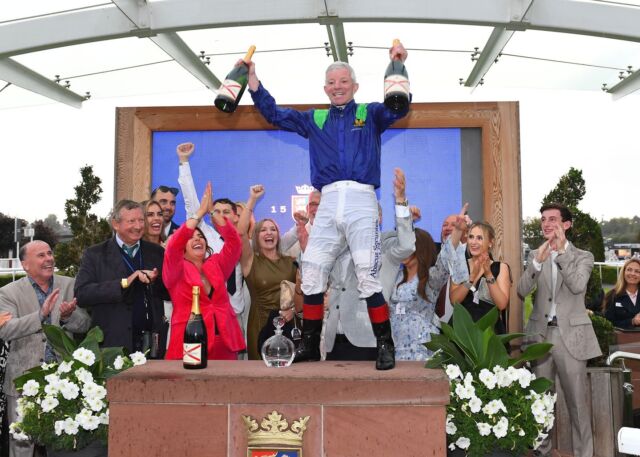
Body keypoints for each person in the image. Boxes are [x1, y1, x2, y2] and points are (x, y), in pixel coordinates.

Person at [247, 42, 410, 370]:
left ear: (355, 86)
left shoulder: (370, 113)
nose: (337, 87)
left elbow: (399, 108)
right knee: (311, 273)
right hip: (327, 197)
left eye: (343, 82)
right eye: (332, 83)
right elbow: (275, 114)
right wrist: (253, 83)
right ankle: (308, 344)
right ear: (325, 88)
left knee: (368, 275)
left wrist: (398, 66)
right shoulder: (315, 117)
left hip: (362, 198)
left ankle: (384, 344)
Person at [517, 203, 600, 457]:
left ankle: (584, 454)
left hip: (571, 339)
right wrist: (536, 264)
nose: (546, 224)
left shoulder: (583, 256)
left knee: (577, 406)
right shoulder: (535, 254)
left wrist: (561, 253)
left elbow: (577, 286)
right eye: (543, 219)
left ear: (566, 225)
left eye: (553, 219)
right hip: (540, 336)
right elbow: (521, 291)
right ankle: (542, 453)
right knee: (541, 403)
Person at [0, 240, 90, 457]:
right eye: (41, 255)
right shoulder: (8, 292)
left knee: (63, 443)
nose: (49, 259)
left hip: (63, 382)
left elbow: (85, 324)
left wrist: (69, 316)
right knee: (22, 444)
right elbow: (6, 330)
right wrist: (40, 316)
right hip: (23, 380)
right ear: (25, 264)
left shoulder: (69, 285)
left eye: (50, 253)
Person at [323, 168, 416, 361]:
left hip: (367, 339)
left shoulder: (385, 245)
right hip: (333, 341)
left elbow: (407, 245)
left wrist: (401, 200)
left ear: (377, 219)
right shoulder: (338, 247)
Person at [176, 142, 249, 348]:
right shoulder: (206, 238)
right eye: (216, 211)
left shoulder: (242, 241)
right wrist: (184, 162)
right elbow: (192, 206)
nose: (221, 216)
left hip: (236, 316)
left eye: (226, 212)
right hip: (210, 316)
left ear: (236, 216)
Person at [163, 182, 245, 360]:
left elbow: (234, 245)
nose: (197, 239)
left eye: (200, 236)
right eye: (191, 237)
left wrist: (214, 214)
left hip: (224, 341)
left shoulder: (215, 264)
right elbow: (173, 247)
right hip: (190, 342)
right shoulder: (175, 269)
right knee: (192, 388)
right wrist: (199, 213)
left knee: (227, 388)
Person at [75, 200, 168, 356]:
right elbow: (82, 294)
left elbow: (169, 293)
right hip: (112, 345)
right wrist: (125, 282)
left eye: (140, 220)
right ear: (115, 224)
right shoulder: (96, 254)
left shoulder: (156, 252)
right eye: (131, 221)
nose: (138, 226)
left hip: (151, 344)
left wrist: (156, 281)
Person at [390, 215, 467, 361]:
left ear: (420, 249)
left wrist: (457, 231)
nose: (403, 250)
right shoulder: (395, 276)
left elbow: (444, 261)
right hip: (395, 349)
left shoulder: (431, 277)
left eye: (408, 247)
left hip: (423, 350)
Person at [240, 185, 298, 360]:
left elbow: (302, 295)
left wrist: (294, 310)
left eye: (273, 229)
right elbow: (240, 233)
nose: (269, 232)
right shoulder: (250, 261)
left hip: (288, 323)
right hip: (260, 325)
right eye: (263, 230)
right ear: (256, 236)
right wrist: (251, 200)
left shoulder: (291, 262)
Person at [449, 221, 511, 334]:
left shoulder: (501, 267)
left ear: (490, 243)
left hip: (489, 332)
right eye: (471, 237)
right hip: (461, 332)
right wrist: (471, 278)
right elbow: (454, 301)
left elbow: (502, 304)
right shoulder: (459, 265)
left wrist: (488, 274)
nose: (473, 242)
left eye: (479, 238)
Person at [281, 190, 321, 258]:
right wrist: (300, 226)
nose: (317, 209)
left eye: (321, 205)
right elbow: (276, 249)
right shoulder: (296, 234)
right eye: (312, 204)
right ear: (307, 208)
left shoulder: (339, 232)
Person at [603, 258, 640, 328]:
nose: (632, 273)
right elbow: (608, 323)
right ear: (623, 272)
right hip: (621, 338)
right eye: (629, 270)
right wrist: (632, 321)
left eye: (637, 271)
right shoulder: (612, 295)